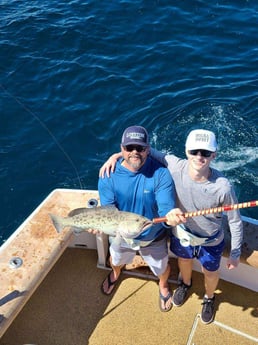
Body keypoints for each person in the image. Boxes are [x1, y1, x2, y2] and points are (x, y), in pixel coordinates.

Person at [99, 129, 243, 324]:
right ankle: (185, 284)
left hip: (210, 240)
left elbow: (234, 220)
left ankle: (209, 298)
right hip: (182, 235)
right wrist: (115, 157)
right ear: (186, 151)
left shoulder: (223, 187)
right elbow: (140, 153)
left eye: (206, 153)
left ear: (214, 155)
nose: (199, 157)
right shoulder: (175, 166)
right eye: (195, 152)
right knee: (183, 262)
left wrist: (235, 253)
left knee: (210, 272)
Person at [98, 125, 180, 312]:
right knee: (117, 260)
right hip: (121, 235)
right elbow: (108, 210)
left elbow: (166, 207)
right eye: (129, 148)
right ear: (121, 149)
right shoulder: (108, 174)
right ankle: (116, 272)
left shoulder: (161, 174)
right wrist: (98, 225)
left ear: (148, 149)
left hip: (153, 236)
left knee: (161, 268)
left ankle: (163, 284)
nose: (135, 152)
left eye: (140, 148)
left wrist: (170, 217)